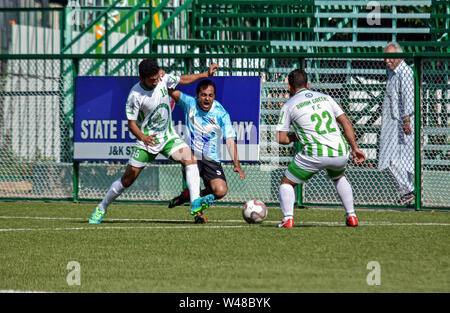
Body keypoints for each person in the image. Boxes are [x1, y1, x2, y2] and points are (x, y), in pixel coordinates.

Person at [88, 59, 218, 224]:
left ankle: (195, 204)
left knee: (190, 159)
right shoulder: (135, 95)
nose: (157, 81)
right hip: (147, 140)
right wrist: (143, 137)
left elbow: (182, 80)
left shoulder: (162, 79)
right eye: (152, 79)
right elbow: (131, 124)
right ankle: (102, 207)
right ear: (142, 79)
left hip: (168, 136)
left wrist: (205, 74)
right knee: (127, 180)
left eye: (157, 77)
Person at [276, 69, 366, 228]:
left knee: (286, 183)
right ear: (308, 85)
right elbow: (345, 121)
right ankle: (352, 216)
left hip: (314, 154)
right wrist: (355, 147)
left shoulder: (289, 105)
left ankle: (288, 219)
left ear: (289, 87)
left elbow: (281, 139)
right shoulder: (326, 98)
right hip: (339, 151)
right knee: (339, 177)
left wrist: (295, 137)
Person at [167, 79, 246, 222]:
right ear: (197, 96)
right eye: (203, 95)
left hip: (211, 160)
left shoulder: (221, 114)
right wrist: (163, 79)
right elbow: (172, 92)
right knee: (194, 178)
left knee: (220, 191)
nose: (207, 98)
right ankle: (198, 215)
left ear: (214, 96)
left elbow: (229, 139)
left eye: (210, 95)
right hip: (191, 157)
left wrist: (237, 164)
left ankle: (187, 196)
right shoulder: (189, 104)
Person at [379, 42, 415, 205]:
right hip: (393, 122)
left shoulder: (405, 72)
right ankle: (407, 191)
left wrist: (406, 120)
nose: (387, 61)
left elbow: (409, 96)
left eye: (391, 57)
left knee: (395, 158)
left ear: (400, 56)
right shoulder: (393, 73)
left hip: (401, 122)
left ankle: (408, 190)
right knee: (394, 158)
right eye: (385, 57)